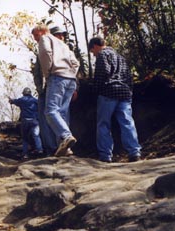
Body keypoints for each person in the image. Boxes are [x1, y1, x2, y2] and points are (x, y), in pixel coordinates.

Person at [88, 36, 142, 162]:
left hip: (108, 92)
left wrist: (95, 89)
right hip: (124, 92)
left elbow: (103, 73)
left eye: (92, 52)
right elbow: (129, 77)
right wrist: (129, 91)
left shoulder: (102, 55)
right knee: (127, 122)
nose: (94, 55)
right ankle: (134, 152)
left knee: (103, 124)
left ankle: (105, 155)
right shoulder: (121, 57)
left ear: (95, 46)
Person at [32, 24, 80, 157]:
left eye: (35, 35)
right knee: (62, 114)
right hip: (70, 80)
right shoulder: (64, 45)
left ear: (42, 31)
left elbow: (46, 53)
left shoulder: (45, 38)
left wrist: (49, 73)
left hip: (56, 78)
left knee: (50, 111)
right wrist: (70, 73)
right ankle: (65, 149)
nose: (35, 39)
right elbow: (76, 63)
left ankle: (65, 137)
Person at [9, 87, 43, 159]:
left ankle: (25, 154)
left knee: (25, 138)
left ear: (24, 93)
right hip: (35, 121)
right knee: (36, 136)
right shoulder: (35, 100)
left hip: (25, 121)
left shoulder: (21, 100)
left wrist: (10, 100)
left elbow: (14, 101)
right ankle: (40, 150)